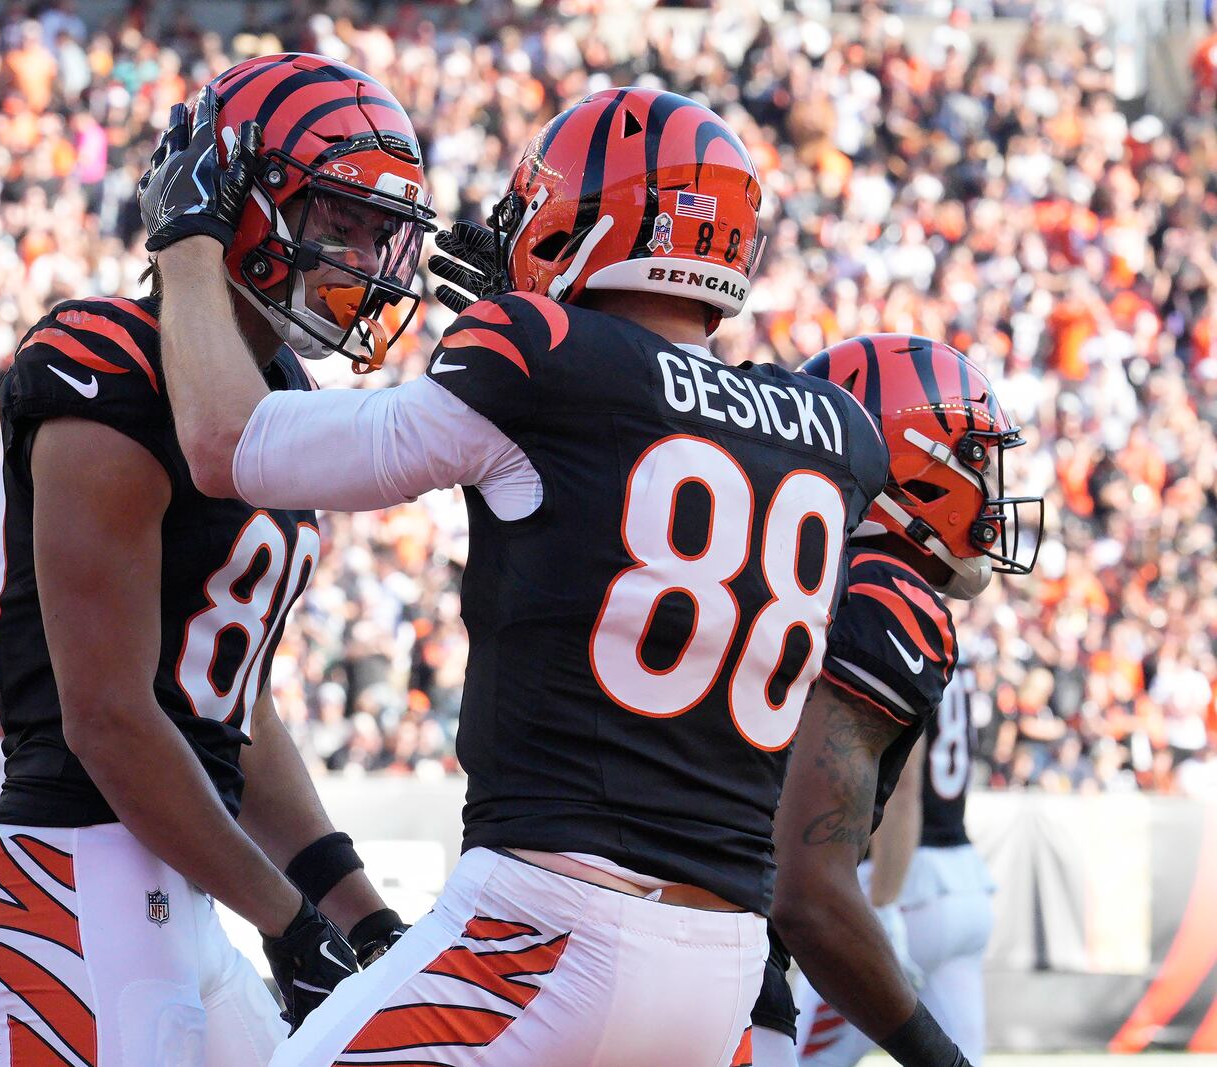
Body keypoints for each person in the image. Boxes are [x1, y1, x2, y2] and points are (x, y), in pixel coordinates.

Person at [146, 86, 890, 1065]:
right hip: (722, 964)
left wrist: (188, 238)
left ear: (580, 217)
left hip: (545, 926)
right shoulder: (837, 432)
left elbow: (225, 441)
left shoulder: (539, 357)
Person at [0, 52, 430, 1067]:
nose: (367, 258)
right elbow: (109, 718)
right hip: (75, 875)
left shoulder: (275, 395)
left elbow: (231, 707)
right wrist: (289, 920)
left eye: (377, 232)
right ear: (241, 204)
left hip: (186, 883)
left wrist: (357, 908)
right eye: (337, 221)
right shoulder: (104, 364)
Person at [755, 335, 1041, 1067]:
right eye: (975, 458)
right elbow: (806, 893)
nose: (991, 486)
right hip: (720, 970)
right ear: (914, 464)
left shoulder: (782, 556)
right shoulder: (886, 592)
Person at [786, 658, 997, 1066]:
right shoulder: (958, 647)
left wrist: (884, 902)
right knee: (960, 1058)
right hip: (963, 881)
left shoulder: (897, 625)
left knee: (804, 1059)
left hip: (901, 883)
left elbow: (902, 786)